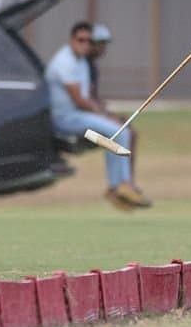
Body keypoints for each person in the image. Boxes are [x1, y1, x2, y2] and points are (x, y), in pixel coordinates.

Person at [45, 21, 152, 210]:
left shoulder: (81, 61)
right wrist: (107, 116)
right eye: (81, 40)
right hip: (65, 118)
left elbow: (89, 98)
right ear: (71, 40)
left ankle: (116, 188)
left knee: (113, 134)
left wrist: (106, 114)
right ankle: (124, 185)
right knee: (122, 133)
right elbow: (80, 100)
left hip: (77, 115)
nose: (85, 44)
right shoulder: (65, 62)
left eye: (89, 41)